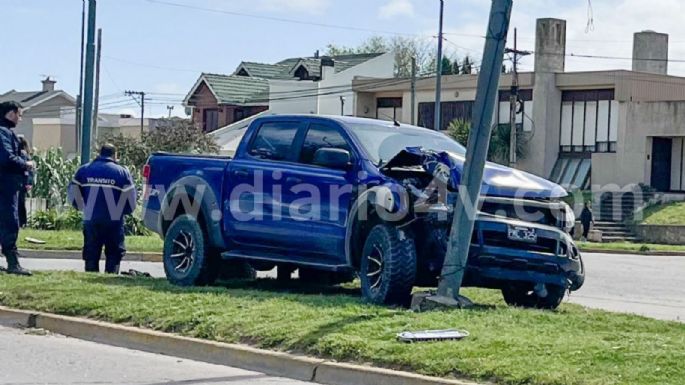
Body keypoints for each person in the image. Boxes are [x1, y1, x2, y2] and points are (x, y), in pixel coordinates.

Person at [68, 144, 137, 274]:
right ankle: (111, 276)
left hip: (91, 220)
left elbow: (73, 193)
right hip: (114, 221)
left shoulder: (84, 170)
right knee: (114, 254)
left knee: (91, 253)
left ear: (100, 153)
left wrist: (81, 207)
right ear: (115, 155)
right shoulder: (122, 172)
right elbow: (131, 200)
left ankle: (90, 277)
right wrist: (124, 212)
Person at [0, 101, 34, 276]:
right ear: (11, 113)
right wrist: (26, 164)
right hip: (5, 187)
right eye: (19, 115)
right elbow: (6, 158)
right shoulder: (3, 132)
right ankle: (13, 264)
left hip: (6, 185)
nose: (20, 119)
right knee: (9, 224)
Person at [17, 135, 34, 228]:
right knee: (21, 202)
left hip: (20, 181)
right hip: (23, 182)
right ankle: (22, 222)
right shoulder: (26, 154)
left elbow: (27, 170)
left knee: (19, 203)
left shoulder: (21, 154)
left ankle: (22, 222)